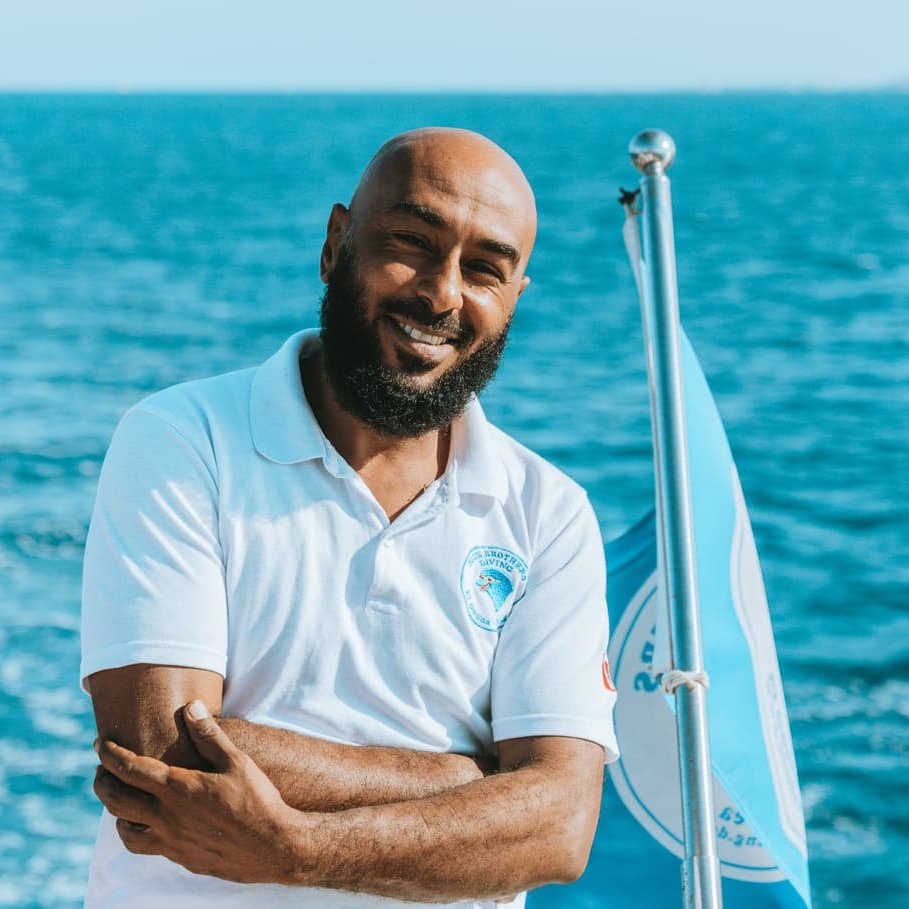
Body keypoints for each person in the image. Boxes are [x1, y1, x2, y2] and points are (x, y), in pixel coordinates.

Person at [81, 127, 618, 908]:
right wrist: (470, 776)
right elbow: (158, 752)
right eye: (411, 241)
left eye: (484, 270)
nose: (441, 293)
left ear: (515, 299)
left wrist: (301, 852)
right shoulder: (182, 440)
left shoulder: (548, 513)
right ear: (337, 244)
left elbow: (561, 827)